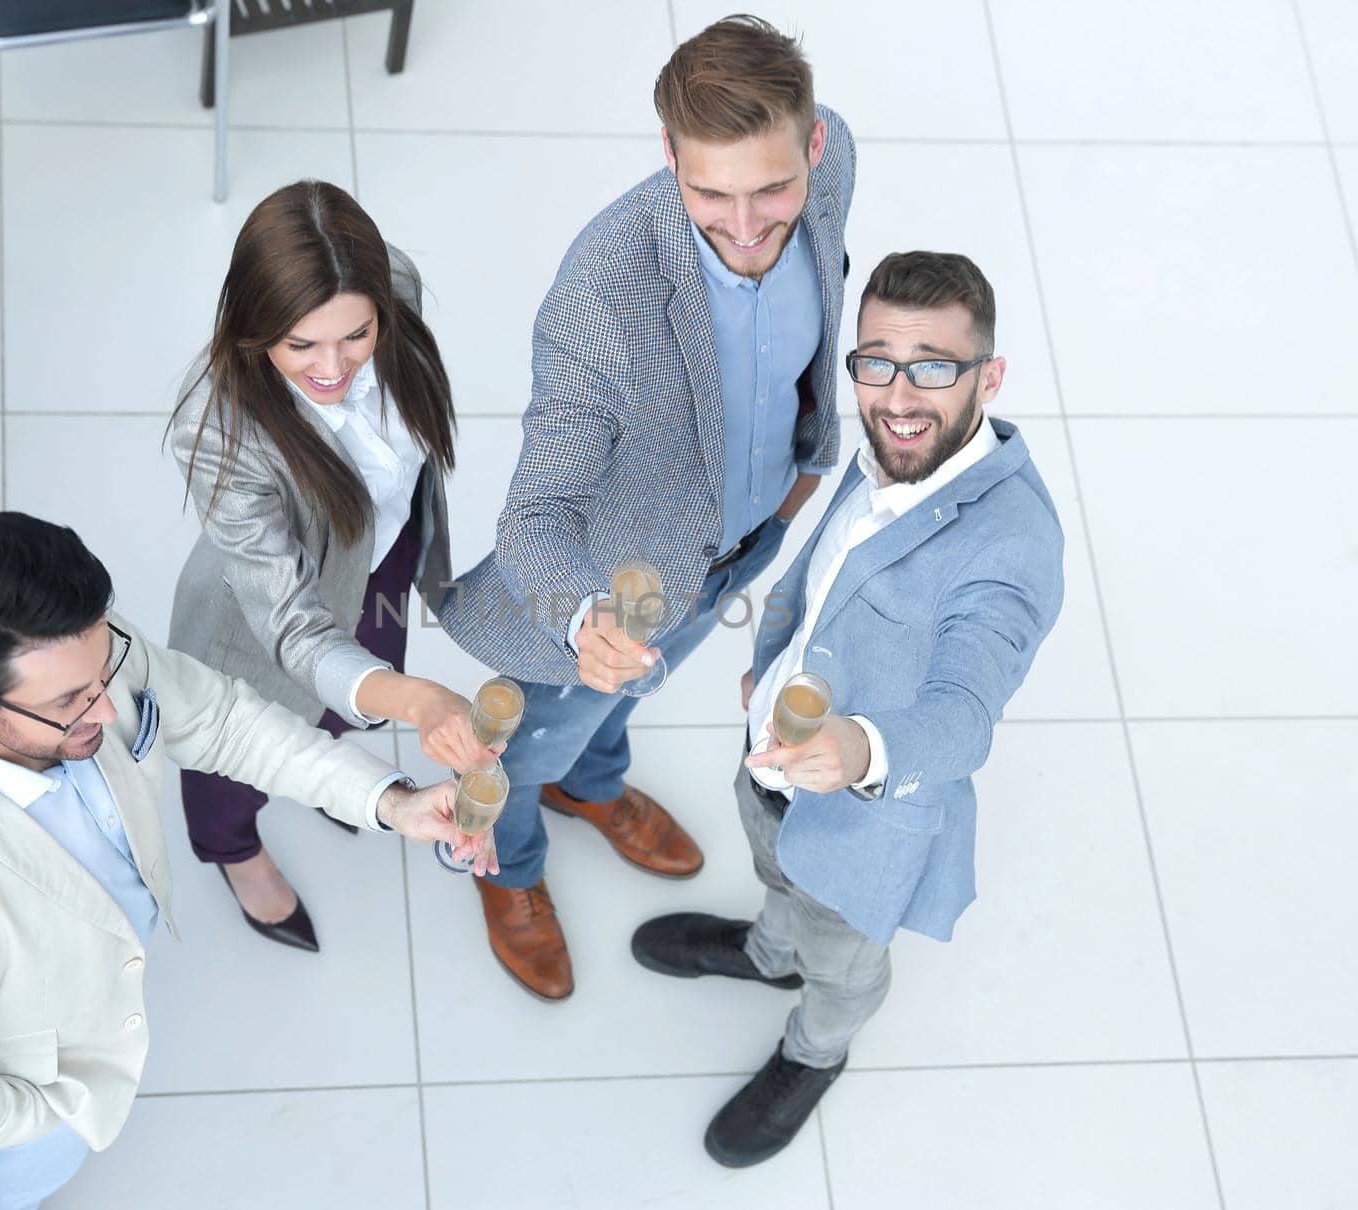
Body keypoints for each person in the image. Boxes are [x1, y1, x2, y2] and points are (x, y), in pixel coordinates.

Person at [0, 512, 492, 1209]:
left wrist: (389, 802)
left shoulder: (77, 660)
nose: (106, 707)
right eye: (67, 705)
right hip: (34, 1077)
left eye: (103, 674)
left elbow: (219, 720)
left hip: (36, 986)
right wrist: (59, 1112)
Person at [435, 15, 855, 1000]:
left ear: (815, 146)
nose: (746, 228)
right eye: (709, 193)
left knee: (616, 704)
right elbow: (534, 518)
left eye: (772, 189)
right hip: (605, 592)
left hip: (739, 543)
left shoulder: (833, 162)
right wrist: (584, 622)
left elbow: (823, 284)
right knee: (527, 744)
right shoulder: (601, 296)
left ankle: (593, 786)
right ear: (668, 156)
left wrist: (800, 477)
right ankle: (514, 861)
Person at [631, 251, 1065, 1166]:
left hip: (863, 819)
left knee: (844, 964)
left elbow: (965, 710)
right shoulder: (891, 450)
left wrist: (860, 748)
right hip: (772, 762)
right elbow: (823, 568)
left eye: (934, 366)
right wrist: (768, 658)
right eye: (877, 361)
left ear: (989, 376)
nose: (899, 395)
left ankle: (814, 1051)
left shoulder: (1013, 544)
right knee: (776, 875)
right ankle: (766, 951)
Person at [168, 181, 496, 952]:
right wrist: (421, 702)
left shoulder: (396, 285)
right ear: (253, 331)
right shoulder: (218, 431)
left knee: (345, 706)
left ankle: (326, 777)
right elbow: (292, 629)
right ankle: (232, 850)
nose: (332, 367)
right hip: (266, 621)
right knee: (236, 765)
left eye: (355, 335)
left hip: (378, 564)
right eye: (299, 345)